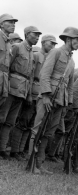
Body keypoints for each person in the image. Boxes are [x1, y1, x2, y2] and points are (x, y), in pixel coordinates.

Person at [30, 27, 78, 175]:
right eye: (77, 40)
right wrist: (45, 96)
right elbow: (44, 74)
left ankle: (39, 164)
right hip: (48, 97)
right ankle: (32, 162)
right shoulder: (55, 52)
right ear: (68, 39)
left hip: (61, 101)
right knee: (38, 129)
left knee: (48, 133)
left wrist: (68, 103)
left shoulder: (72, 61)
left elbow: (71, 85)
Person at [0, 26, 41, 160]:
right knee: (2, 118)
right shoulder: (17, 47)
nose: (37, 38)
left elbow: (29, 75)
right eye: (35, 35)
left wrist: (29, 94)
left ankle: (2, 149)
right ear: (27, 34)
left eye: (38, 36)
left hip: (22, 91)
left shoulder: (31, 53)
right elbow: (7, 67)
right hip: (11, 87)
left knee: (10, 121)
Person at [24, 35, 58, 157]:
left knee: (35, 122)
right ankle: (19, 150)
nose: (53, 46)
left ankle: (27, 151)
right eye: (51, 43)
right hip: (34, 90)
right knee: (26, 121)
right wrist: (28, 93)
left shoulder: (51, 57)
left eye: (54, 44)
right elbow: (31, 74)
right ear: (43, 43)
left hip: (42, 91)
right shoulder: (37, 55)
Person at [0, 14, 18, 108]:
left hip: (4, 80)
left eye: (14, 23)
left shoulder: (8, 43)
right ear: (2, 24)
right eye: (10, 22)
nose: (13, 25)